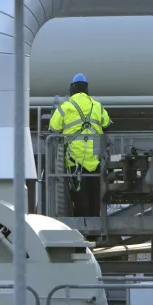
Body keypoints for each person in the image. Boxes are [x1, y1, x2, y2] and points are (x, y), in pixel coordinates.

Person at [48, 73, 112, 217]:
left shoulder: (65, 107)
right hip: (95, 161)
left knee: (80, 199)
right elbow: (107, 125)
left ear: (72, 89)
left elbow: (53, 130)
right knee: (95, 197)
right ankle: (95, 229)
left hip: (74, 161)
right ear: (86, 89)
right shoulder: (97, 106)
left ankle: (81, 231)